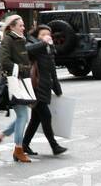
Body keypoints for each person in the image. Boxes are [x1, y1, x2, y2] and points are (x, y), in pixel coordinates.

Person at [0, 14, 34, 163]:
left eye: (23, 25)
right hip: (13, 82)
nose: (23, 27)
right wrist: (23, 68)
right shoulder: (8, 39)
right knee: (23, 116)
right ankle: (18, 149)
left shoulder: (20, 39)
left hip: (21, 81)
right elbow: (5, 62)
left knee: (23, 116)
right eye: (20, 25)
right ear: (12, 26)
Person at [21, 24, 69, 156]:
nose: (46, 37)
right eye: (42, 34)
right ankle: (54, 146)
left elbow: (52, 70)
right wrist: (43, 43)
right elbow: (27, 50)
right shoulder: (33, 44)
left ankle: (24, 145)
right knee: (46, 116)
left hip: (45, 87)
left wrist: (57, 89)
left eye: (48, 35)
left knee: (36, 119)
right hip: (35, 88)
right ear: (37, 36)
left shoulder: (49, 48)